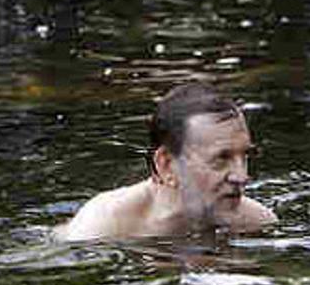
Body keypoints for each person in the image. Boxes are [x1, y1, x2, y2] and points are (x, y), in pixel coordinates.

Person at [58, 82, 277, 241]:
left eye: (245, 156)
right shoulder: (102, 226)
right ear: (166, 164)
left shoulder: (256, 222)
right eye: (221, 158)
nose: (242, 176)